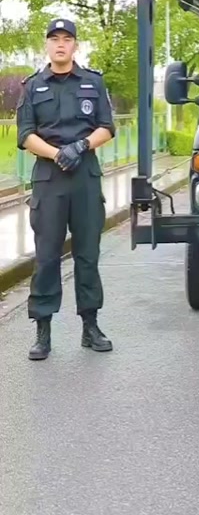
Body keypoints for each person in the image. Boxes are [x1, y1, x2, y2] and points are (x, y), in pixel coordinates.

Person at [16, 18, 116, 361]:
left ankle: (91, 327)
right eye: (54, 39)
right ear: (47, 45)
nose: (61, 44)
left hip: (85, 175)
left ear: (75, 45)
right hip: (49, 177)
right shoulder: (33, 87)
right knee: (46, 258)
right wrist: (58, 153)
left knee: (88, 255)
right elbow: (25, 134)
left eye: (67, 39)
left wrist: (82, 147)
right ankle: (43, 332)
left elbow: (107, 127)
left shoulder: (92, 82)